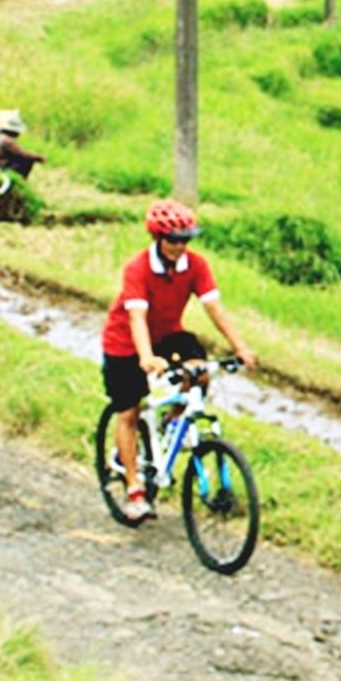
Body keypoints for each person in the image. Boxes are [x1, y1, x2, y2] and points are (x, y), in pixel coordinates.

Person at [100, 199, 256, 521]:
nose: (180, 247)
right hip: (125, 342)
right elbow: (137, 318)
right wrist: (145, 357)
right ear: (158, 238)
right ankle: (134, 489)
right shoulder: (138, 268)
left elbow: (214, 308)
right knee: (128, 411)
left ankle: (175, 422)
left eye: (186, 240)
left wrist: (240, 347)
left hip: (168, 334)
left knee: (199, 370)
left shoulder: (195, 265)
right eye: (173, 240)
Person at [0, 109, 46, 180]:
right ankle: (18, 180)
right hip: (0, 167)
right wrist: (39, 157)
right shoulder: (7, 140)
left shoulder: (1, 138)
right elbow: (21, 154)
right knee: (27, 161)